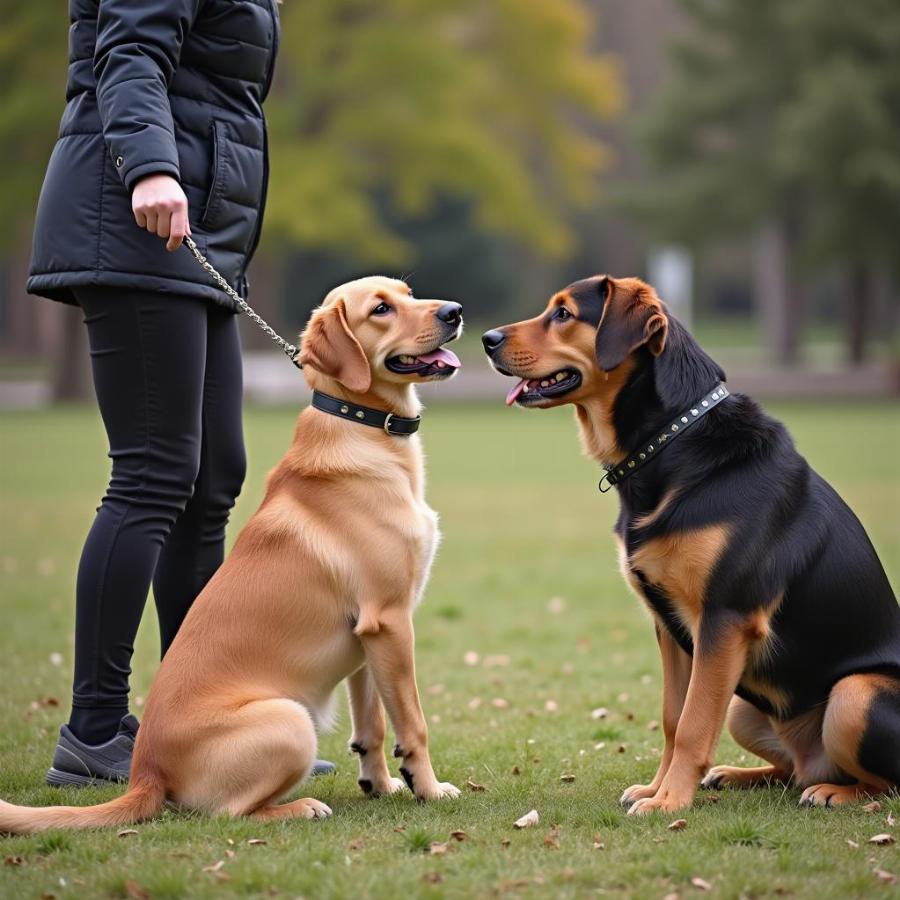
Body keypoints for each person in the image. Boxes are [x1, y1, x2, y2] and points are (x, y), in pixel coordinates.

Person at [26, 0, 334, 785]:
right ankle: (94, 728)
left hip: (195, 236)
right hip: (138, 216)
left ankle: (193, 719)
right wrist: (151, 166)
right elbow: (128, 52)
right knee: (155, 473)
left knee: (213, 480)